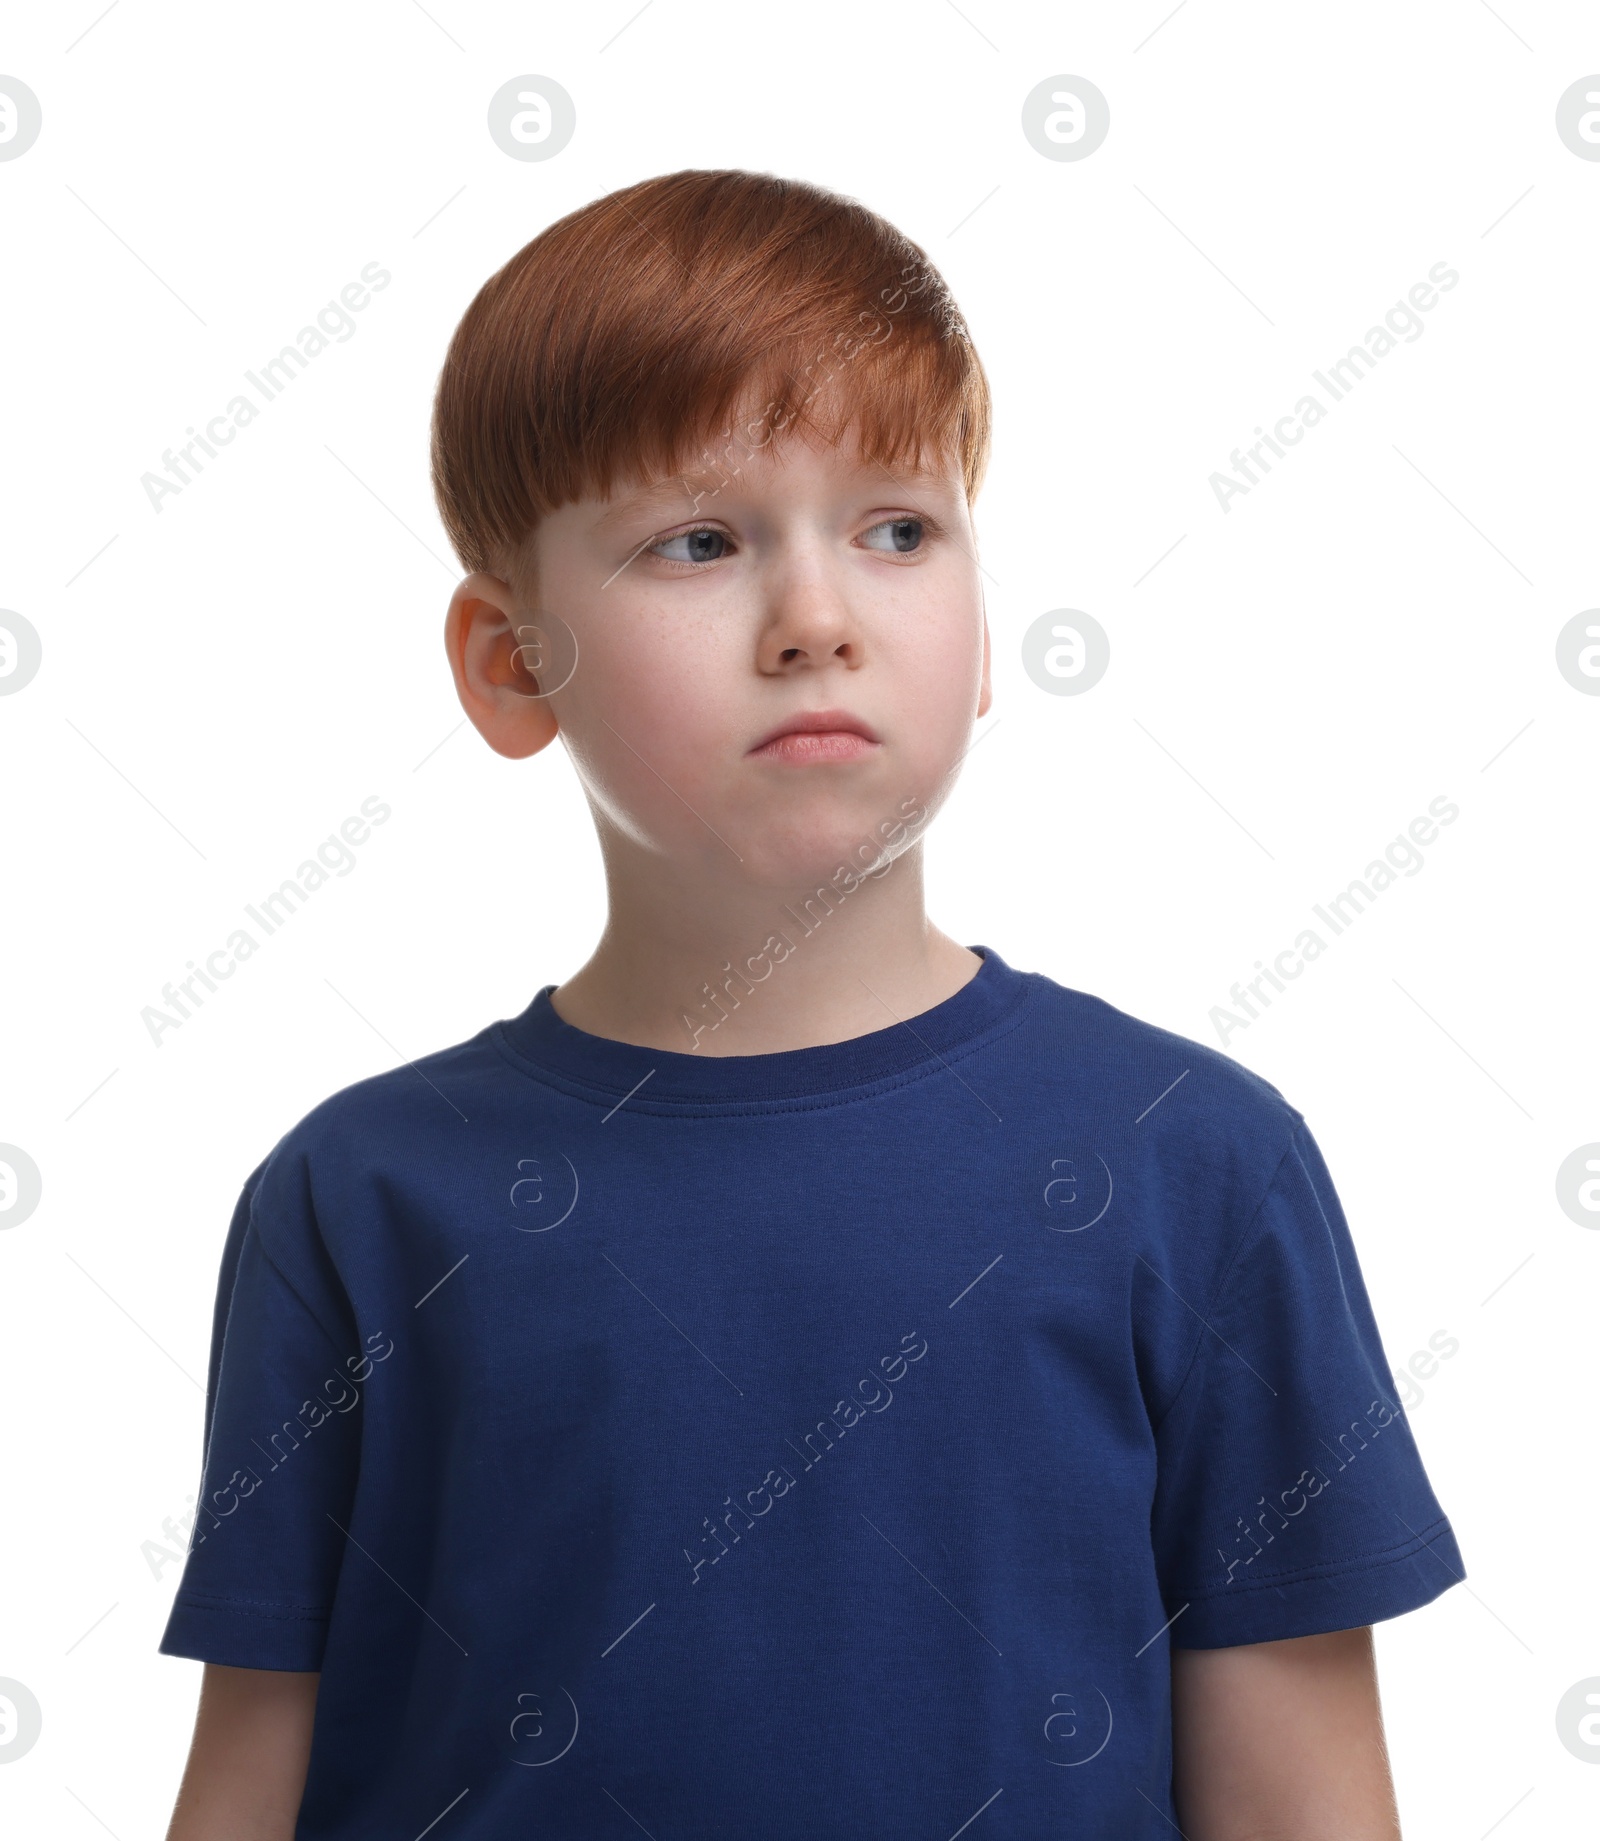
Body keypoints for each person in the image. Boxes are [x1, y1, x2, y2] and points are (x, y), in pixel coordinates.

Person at [160, 167, 1462, 1839]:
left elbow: (1306, 1807)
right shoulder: (358, 1198)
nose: (819, 618)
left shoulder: (1199, 1163)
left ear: (984, 634)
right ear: (509, 665)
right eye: (699, 540)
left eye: (898, 529)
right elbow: (255, 1772)